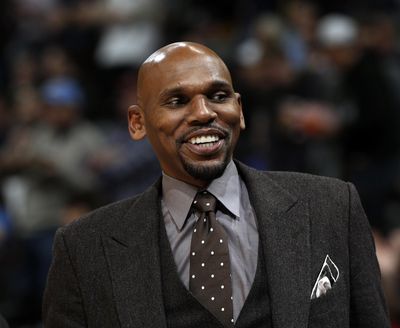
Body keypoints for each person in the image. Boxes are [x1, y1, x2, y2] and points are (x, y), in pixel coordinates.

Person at [43, 42, 389, 327]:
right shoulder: (83, 248)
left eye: (218, 96)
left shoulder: (332, 206)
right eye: (177, 101)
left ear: (239, 110)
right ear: (137, 123)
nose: (204, 112)